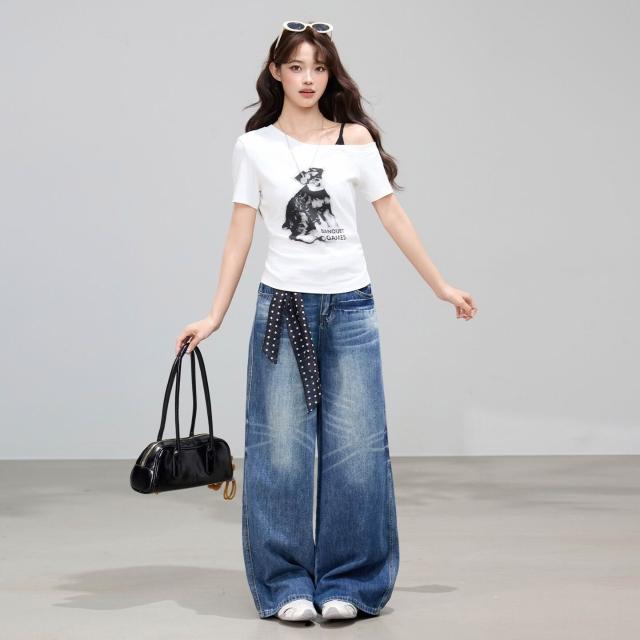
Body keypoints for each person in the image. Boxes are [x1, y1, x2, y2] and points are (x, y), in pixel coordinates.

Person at [175, 19, 478, 623]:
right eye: (296, 67)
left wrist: (441, 286)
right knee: (279, 451)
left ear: (330, 74)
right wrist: (215, 314)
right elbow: (239, 233)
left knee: (357, 449)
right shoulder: (254, 147)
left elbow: (392, 216)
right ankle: (285, 584)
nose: (308, 78)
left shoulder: (353, 140)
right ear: (276, 73)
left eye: (318, 67)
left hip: (350, 309)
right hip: (282, 309)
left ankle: (351, 582)